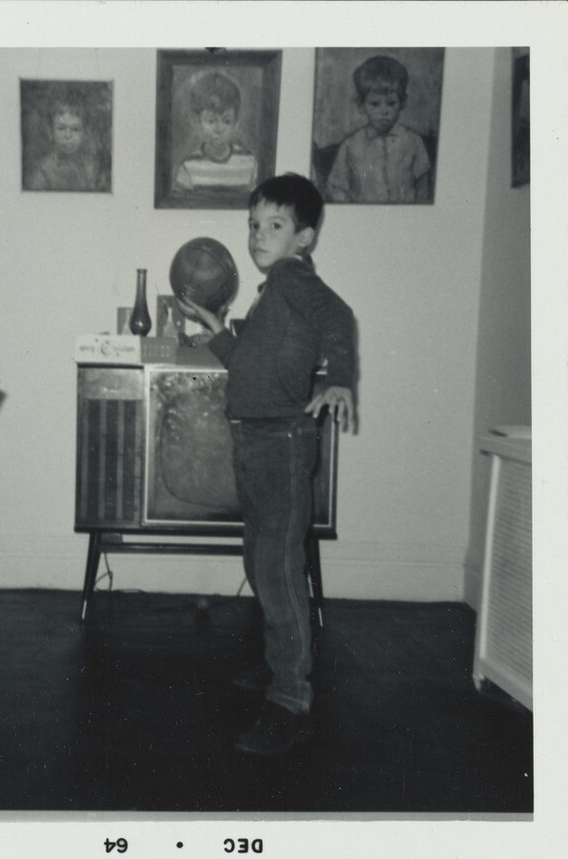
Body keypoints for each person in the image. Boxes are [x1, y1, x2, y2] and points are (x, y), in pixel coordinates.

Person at [179, 172, 356, 757]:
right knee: (262, 559)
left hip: (281, 442)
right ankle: (276, 664)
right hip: (255, 440)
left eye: (274, 225)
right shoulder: (269, 291)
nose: (259, 235)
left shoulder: (294, 279)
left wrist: (339, 381)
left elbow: (340, 319)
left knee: (278, 572)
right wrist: (217, 334)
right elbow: (251, 367)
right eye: (254, 224)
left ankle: (290, 700)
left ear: (303, 237)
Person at [325, 54, 431, 203]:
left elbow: (423, 188)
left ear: (403, 102)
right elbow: (336, 188)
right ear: (361, 105)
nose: (384, 111)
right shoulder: (350, 146)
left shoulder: (413, 142)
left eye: (391, 103)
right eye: (375, 104)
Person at [173, 71, 258, 194]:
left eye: (227, 121)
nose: (219, 129)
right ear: (196, 122)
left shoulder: (249, 163)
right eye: (211, 121)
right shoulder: (188, 167)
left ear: (236, 124)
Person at [26, 96, 106, 192]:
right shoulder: (44, 171)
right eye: (61, 128)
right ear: (50, 131)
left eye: (75, 129)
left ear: (85, 132)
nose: (68, 136)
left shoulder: (93, 168)